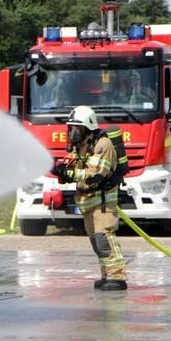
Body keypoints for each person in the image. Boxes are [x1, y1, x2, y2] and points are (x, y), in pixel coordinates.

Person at [51, 105, 128, 291]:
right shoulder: (81, 145)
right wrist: (61, 168)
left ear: (88, 127)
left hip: (102, 202)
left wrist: (70, 173)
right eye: (71, 128)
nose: (73, 133)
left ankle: (117, 277)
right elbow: (72, 164)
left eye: (77, 128)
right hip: (88, 202)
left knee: (104, 239)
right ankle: (106, 275)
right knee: (96, 241)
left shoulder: (103, 145)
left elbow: (95, 174)